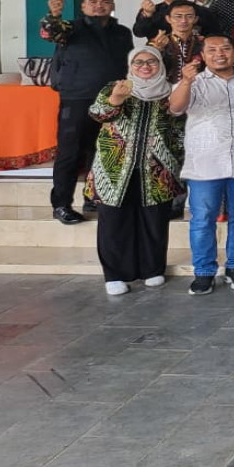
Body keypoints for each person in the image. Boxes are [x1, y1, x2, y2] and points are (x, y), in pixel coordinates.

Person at [88, 47, 185, 295]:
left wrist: (176, 158)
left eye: (151, 61)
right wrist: (116, 99)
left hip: (158, 169)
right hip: (114, 169)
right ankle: (115, 275)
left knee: (154, 222)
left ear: (161, 65)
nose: (145, 66)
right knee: (113, 223)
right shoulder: (116, 87)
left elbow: (180, 127)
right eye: (139, 62)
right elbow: (97, 114)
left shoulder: (171, 92)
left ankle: (152, 270)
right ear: (130, 65)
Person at [168, 35, 234, 296]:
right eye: (212, 50)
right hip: (205, 164)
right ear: (203, 56)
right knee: (203, 219)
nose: (220, 54)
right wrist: (186, 81)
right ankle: (204, 271)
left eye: (225, 49)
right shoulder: (193, 82)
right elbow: (175, 108)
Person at [40, 0, 134, 224]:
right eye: (93, 2)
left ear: (112, 6)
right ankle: (61, 205)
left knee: (103, 151)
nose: (99, 6)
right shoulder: (70, 28)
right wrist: (53, 16)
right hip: (77, 98)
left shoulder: (122, 32)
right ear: (83, 6)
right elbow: (50, 32)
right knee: (70, 153)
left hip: (112, 99)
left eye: (105, 2)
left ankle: (93, 197)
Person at [150, 1, 204, 76]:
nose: (183, 21)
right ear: (168, 19)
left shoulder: (204, 43)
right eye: (178, 16)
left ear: (195, 19)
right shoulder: (156, 43)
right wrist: (156, 51)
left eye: (189, 16)